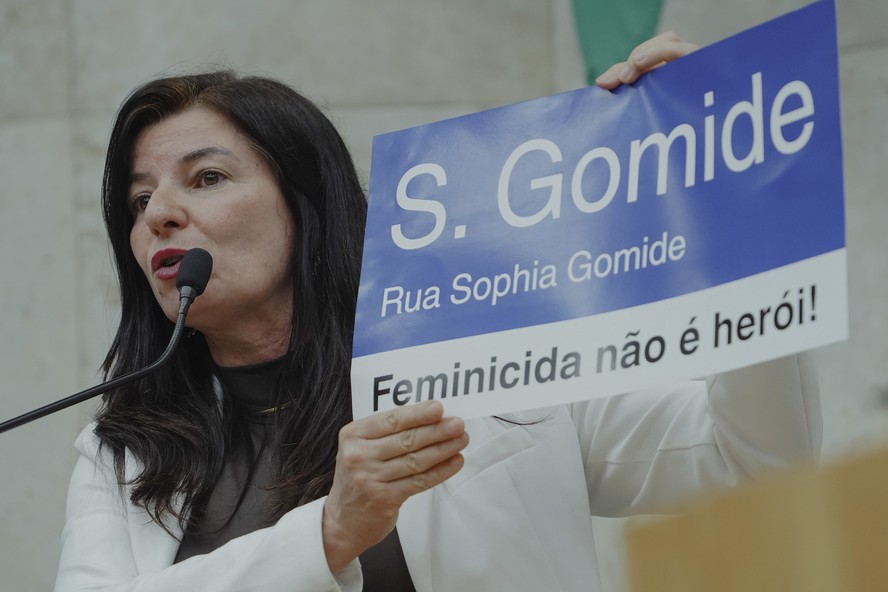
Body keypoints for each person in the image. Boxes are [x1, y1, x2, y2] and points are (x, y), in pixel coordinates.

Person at [54, 33, 821, 592]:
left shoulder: (493, 362)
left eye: (207, 178)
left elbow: (752, 462)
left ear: (306, 202)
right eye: (139, 200)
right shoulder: (120, 455)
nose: (160, 215)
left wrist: (733, 206)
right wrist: (329, 534)